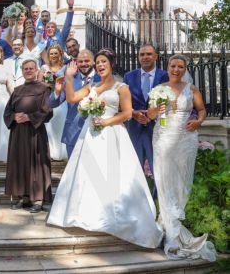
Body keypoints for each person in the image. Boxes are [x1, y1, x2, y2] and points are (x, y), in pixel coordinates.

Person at [47, 50, 163, 249]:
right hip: (89, 135)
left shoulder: (121, 87)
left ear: (111, 64)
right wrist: (68, 77)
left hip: (111, 134)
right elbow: (73, 98)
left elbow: (127, 114)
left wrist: (108, 121)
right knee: (88, 175)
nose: (100, 65)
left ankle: (113, 217)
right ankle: (89, 215)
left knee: (112, 175)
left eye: (103, 62)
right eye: (98, 62)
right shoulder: (91, 86)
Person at [147, 55, 216, 261]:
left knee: (181, 184)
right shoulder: (159, 89)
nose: (176, 69)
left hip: (186, 139)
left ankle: (169, 228)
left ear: (185, 69)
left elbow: (202, 110)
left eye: (180, 66)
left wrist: (198, 122)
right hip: (163, 137)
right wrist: (155, 109)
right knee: (164, 181)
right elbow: (150, 116)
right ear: (167, 67)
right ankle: (172, 235)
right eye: (173, 66)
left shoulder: (192, 89)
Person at [4, 59, 53, 213]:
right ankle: (22, 197)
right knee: (19, 164)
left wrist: (30, 117)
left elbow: (48, 111)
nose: (29, 71)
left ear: (37, 70)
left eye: (31, 68)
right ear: (22, 71)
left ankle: (37, 199)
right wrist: (14, 117)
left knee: (36, 164)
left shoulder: (44, 88)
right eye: (25, 69)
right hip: (18, 134)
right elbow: (7, 112)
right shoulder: (17, 90)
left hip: (35, 133)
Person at [124, 44, 168, 175]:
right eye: (142, 54)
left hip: (157, 127)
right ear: (138, 57)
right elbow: (123, 102)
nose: (145, 57)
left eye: (149, 54)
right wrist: (133, 113)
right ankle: (138, 195)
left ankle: (157, 194)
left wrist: (152, 114)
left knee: (158, 166)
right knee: (134, 166)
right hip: (134, 127)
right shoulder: (129, 76)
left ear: (156, 56)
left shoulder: (165, 76)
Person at [50, 49, 101, 157]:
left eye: (87, 61)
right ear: (76, 63)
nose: (84, 64)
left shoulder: (101, 78)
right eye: (80, 61)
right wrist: (57, 92)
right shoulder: (69, 79)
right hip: (73, 131)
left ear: (93, 62)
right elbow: (52, 104)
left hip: (96, 130)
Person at [38, 45, 67, 160]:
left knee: (60, 125)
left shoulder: (65, 68)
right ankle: (49, 151)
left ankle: (61, 152)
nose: (54, 56)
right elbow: (38, 83)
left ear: (60, 54)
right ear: (48, 56)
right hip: (47, 98)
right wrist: (48, 84)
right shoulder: (44, 67)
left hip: (61, 100)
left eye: (56, 53)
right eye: (51, 54)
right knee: (48, 126)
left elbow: (69, 83)